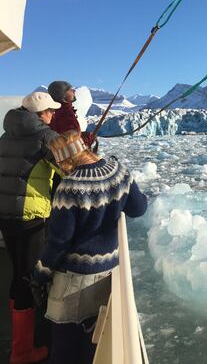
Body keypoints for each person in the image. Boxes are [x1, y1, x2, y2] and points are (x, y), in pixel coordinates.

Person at [32, 130, 148, 364]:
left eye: (60, 163)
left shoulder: (70, 188)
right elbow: (139, 208)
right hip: (108, 274)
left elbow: (58, 242)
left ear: (67, 160)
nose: (60, 168)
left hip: (74, 281)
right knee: (95, 343)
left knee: (65, 348)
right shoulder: (119, 173)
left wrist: (40, 273)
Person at [0, 92, 61, 364]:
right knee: (28, 278)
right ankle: (22, 353)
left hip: (5, 214)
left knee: (17, 273)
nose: (52, 115)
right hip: (30, 217)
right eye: (50, 111)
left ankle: (18, 344)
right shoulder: (45, 136)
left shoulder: (6, 134)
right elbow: (71, 167)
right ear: (41, 113)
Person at [48, 80, 95, 148]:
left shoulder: (55, 110)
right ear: (62, 94)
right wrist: (89, 138)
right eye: (69, 89)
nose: (74, 91)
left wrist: (82, 135)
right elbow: (72, 142)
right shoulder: (65, 113)